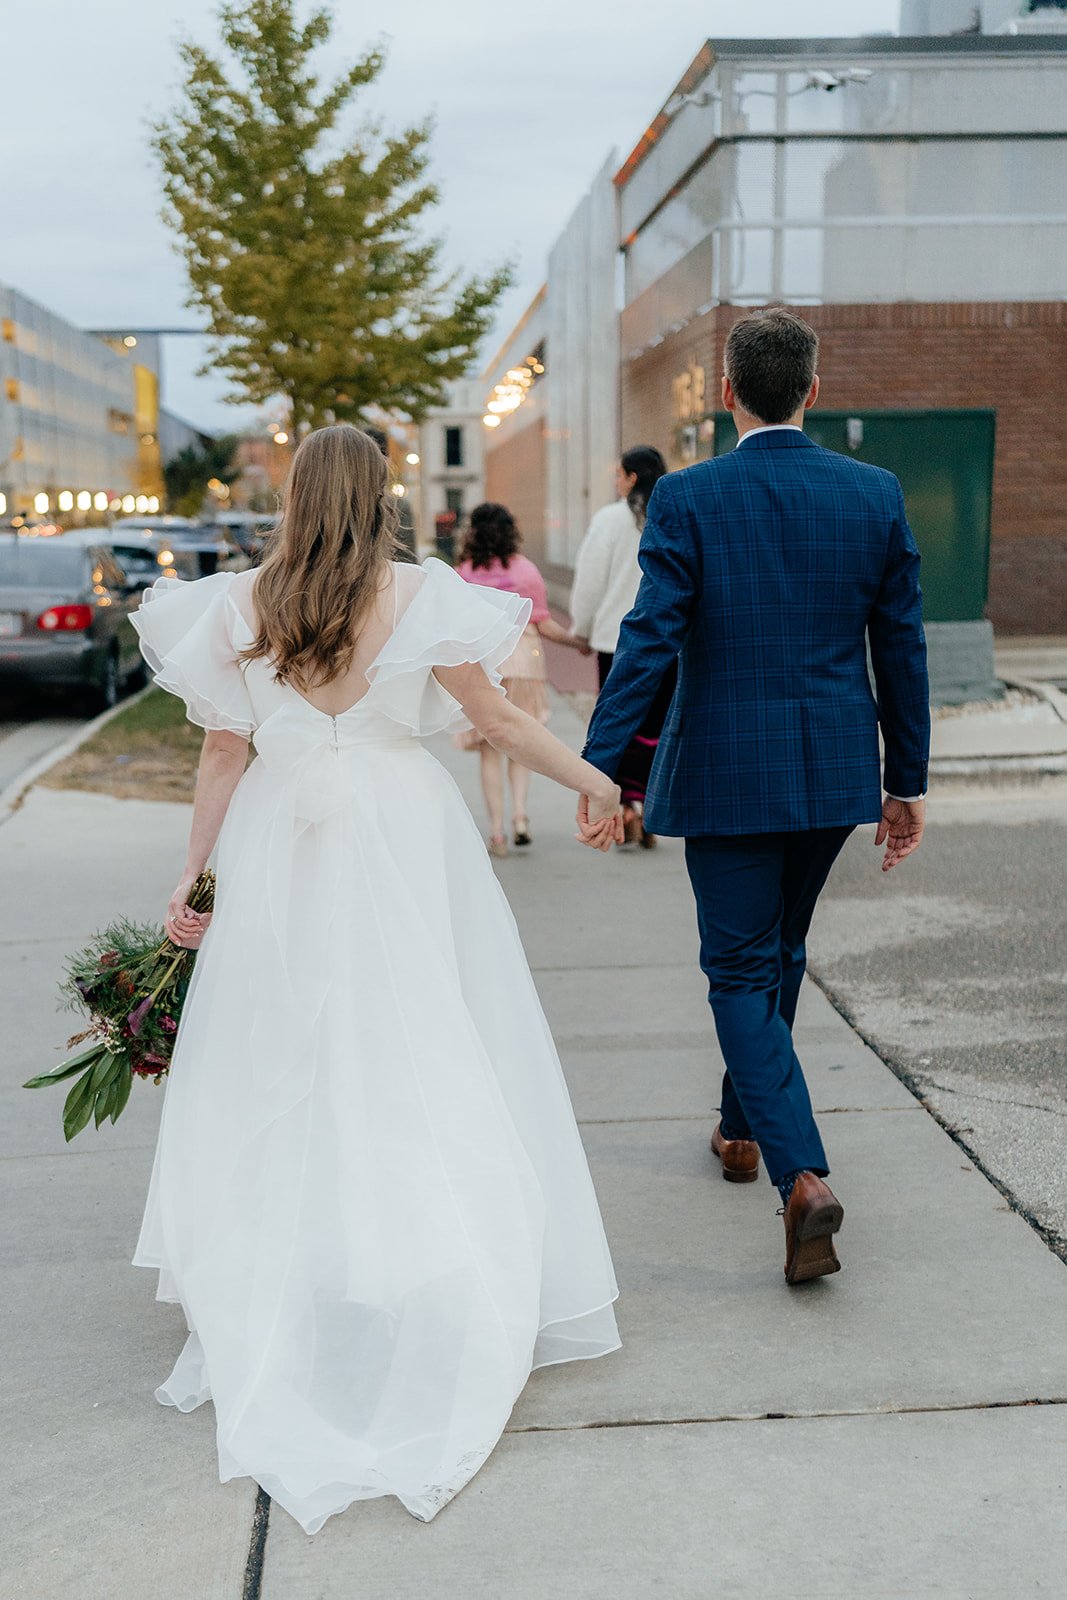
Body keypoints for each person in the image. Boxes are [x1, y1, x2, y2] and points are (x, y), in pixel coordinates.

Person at [130, 425, 622, 1534]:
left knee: (284, 1053)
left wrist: (193, 878)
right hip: (404, 838)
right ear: (381, 496)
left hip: (280, 846)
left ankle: (297, 1265)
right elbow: (494, 720)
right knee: (423, 1041)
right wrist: (593, 780)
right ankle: (420, 1257)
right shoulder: (420, 594)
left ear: (298, 496)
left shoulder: (248, 601)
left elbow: (222, 753)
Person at [579, 307, 929, 1285]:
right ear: (810, 391)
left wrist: (602, 769)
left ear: (724, 393)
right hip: (828, 771)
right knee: (775, 950)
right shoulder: (872, 493)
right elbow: (899, 646)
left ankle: (800, 1174)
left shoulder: (686, 499)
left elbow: (648, 637)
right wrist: (904, 778)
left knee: (737, 969)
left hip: (726, 769)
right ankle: (740, 1130)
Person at [455, 502, 585, 857]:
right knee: (520, 746)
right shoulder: (526, 571)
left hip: (484, 668)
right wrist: (579, 643)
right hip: (525, 664)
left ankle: (496, 832)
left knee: (488, 751)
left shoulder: (463, 574)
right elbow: (542, 624)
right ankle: (521, 818)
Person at [570, 446, 671, 847]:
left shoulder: (610, 520)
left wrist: (582, 627)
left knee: (620, 723)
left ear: (631, 477)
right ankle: (648, 803)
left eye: (618, 475)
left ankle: (626, 805)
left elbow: (591, 578)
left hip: (616, 639)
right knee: (658, 726)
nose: (615, 482)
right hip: (668, 642)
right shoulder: (673, 513)